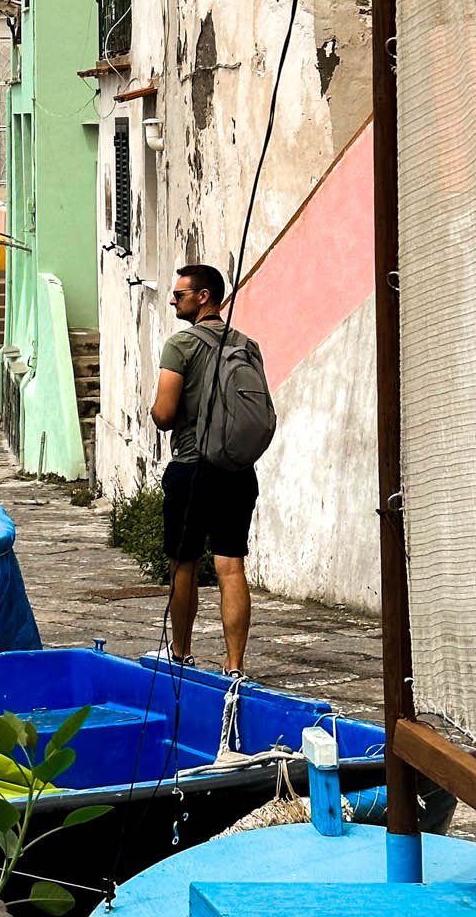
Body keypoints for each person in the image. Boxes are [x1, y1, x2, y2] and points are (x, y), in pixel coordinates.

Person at [149, 263, 264, 676]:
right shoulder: (247, 345)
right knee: (231, 565)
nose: (173, 300)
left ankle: (180, 653)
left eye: (179, 294)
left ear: (203, 297)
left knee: (185, 563)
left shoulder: (181, 345)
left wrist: (157, 411)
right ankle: (235, 665)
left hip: (192, 468)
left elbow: (164, 413)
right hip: (237, 470)